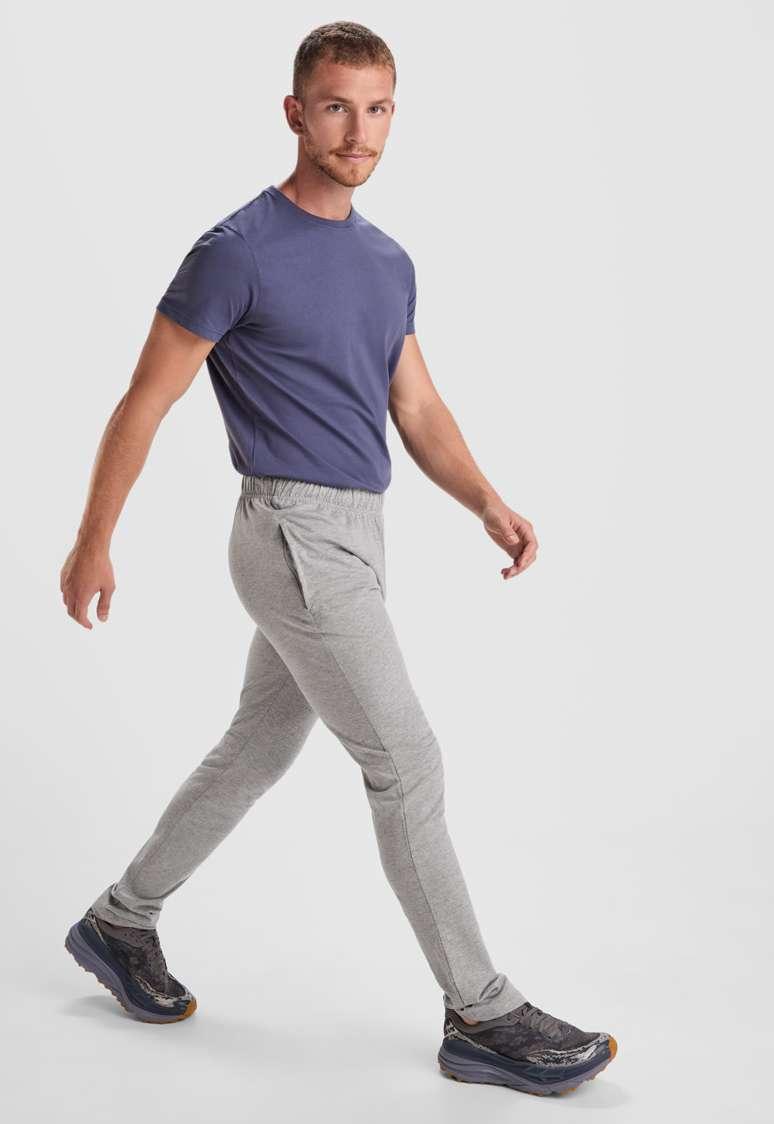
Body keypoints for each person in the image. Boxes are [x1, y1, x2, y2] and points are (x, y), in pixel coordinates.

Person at [60, 20, 617, 1097]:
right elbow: (146, 399)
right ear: (295, 112)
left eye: (377, 109)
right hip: (291, 534)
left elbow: (417, 405)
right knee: (407, 761)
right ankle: (481, 1010)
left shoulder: (387, 261)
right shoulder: (237, 250)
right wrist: (95, 540)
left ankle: (119, 922)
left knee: (258, 748)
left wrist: (487, 500)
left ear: (392, 116)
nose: (357, 131)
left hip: (358, 534)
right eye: (335, 107)